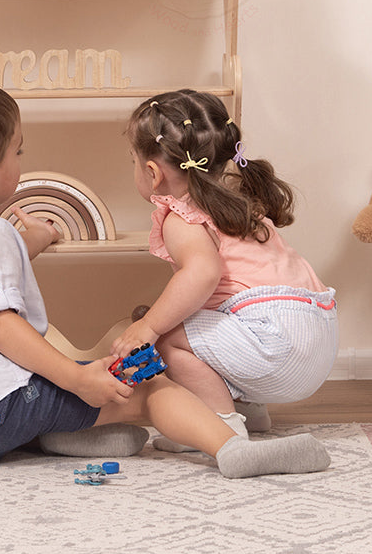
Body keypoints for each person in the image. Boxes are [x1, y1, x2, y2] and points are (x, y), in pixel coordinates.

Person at [0, 76, 330, 478]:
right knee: (146, 385)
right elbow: (1, 327)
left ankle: (62, 433)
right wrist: (75, 377)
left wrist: (32, 241)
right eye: (18, 152)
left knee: (91, 386)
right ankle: (232, 448)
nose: (21, 159)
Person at [114, 89, 338, 450]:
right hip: (318, 339)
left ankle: (220, 425)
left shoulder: (183, 216)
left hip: (276, 342)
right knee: (208, 320)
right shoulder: (238, 204)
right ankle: (250, 411)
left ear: (152, 173)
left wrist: (149, 326)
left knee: (168, 334)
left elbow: (202, 275)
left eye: (133, 160)